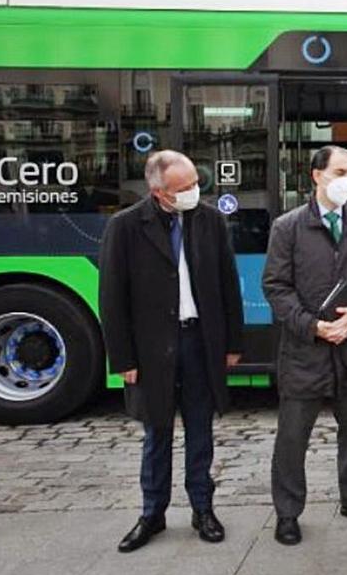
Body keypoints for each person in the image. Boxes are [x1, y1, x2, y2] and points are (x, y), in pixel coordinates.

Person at [99, 150, 244, 553]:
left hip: (200, 342)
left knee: (201, 430)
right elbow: (111, 298)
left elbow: (228, 284)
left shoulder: (211, 220)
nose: (193, 193)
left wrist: (233, 343)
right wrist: (123, 359)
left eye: (196, 184)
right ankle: (152, 513)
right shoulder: (125, 227)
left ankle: (203, 508)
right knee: (156, 431)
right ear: (158, 191)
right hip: (151, 350)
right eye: (183, 188)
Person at [262, 145, 347, 545]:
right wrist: (313, 327)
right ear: (316, 175)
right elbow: (276, 287)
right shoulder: (288, 227)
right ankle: (287, 513)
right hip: (305, 352)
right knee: (293, 436)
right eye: (340, 172)